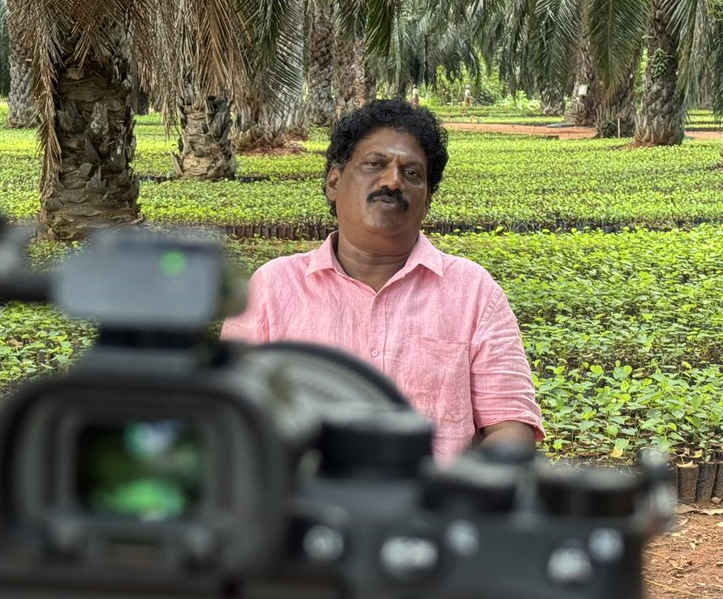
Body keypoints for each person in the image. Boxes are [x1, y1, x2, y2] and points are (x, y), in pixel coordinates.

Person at [220, 98, 543, 461]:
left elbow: (509, 426)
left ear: (427, 199)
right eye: (375, 164)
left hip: (434, 496)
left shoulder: (473, 292)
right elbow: (230, 418)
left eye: (412, 173)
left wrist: (457, 487)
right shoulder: (273, 287)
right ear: (334, 182)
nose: (392, 181)